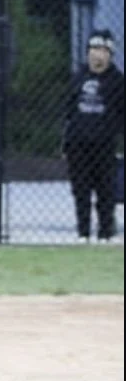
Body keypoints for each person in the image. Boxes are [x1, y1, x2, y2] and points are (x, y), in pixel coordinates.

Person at [63, 30, 124, 242]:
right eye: (94, 49)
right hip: (78, 144)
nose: (98, 55)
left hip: (104, 144)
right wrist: (66, 142)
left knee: (105, 189)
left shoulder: (117, 81)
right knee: (81, 190)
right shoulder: (79, 76)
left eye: (103, 50)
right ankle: (83, 232)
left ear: (110, 54)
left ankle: (105, 232)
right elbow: (70, 110)